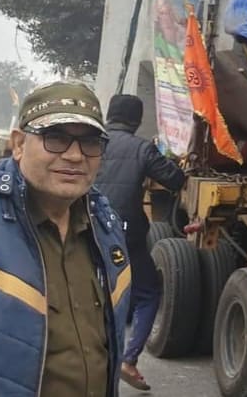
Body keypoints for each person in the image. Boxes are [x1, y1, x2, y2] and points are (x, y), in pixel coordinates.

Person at [0, 81, 132, 397]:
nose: (74, 156)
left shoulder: (105, 226)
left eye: (90, 142)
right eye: (55, 138)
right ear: (18, 144)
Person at [94, 94, 186, 392]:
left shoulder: (93, 142)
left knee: (94, 291)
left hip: (90, 226)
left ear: (109, 115)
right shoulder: (142, 148)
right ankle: (128, 359)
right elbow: (174, 179)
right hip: (126, 234)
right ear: (136, 120)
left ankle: (93, 355)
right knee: (146, 293)